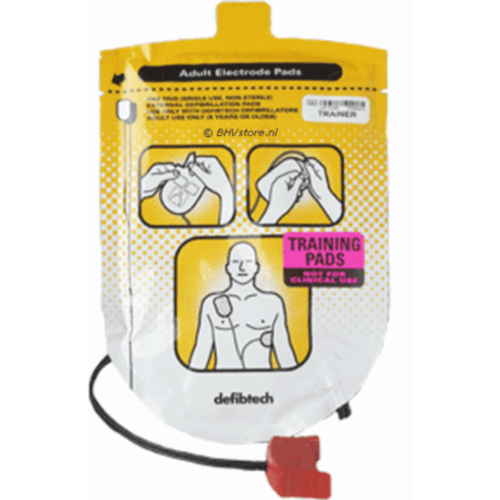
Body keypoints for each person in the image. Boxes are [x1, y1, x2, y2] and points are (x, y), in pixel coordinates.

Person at [189, 242, 298, 370]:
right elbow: (201, 350)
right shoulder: (210, 303)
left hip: (264, 380)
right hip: (222, 379)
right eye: (236, 262)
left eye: (248, 262)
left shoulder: (273, 302)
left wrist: (299, 379)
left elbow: (284, 350)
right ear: (228, 268)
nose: (242, 267)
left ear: (256, 268)